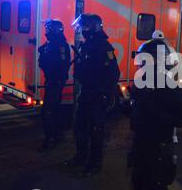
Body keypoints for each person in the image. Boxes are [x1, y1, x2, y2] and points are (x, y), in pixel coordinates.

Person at [124, 30, 182, 190]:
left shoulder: (167, 85)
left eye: (145, 60)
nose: (141, 64)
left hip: (160, 144)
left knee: (157, 186)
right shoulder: (143, 81)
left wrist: (158, 115)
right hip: (142, 140)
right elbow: (138, 108)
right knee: (138, 179)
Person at [64, 14, 120, 176]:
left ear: (92, 27)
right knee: (80, 128)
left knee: (96, 131)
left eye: (84, 27)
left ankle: (94, 164)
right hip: (87, 93)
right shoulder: (87, 45)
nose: (82, 30)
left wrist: (105, 93)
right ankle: (80, 157)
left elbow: (114, 72)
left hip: (97, 95)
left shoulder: (104, 46)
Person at [37, 19, 70, 152]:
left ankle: (50, 140)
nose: (46, 31)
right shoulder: (51, 44)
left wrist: (45, 54)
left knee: (48, 112)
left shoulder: (60, 45)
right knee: (55, 110)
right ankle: (57, 135)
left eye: (48, 29)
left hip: (55, 82)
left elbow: (58, 65)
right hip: (52, 81)